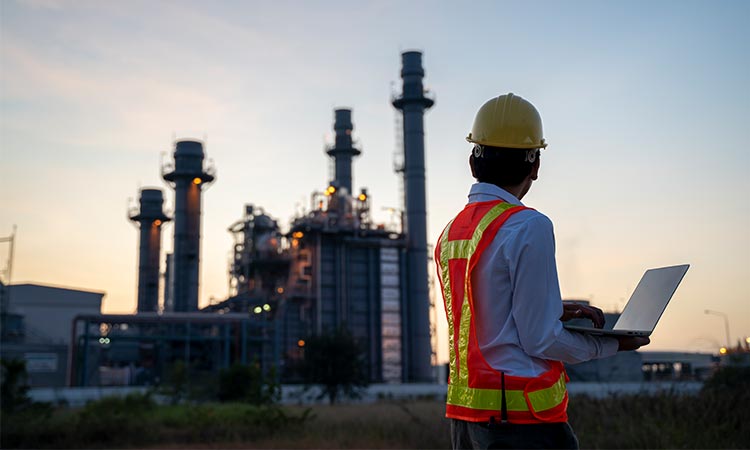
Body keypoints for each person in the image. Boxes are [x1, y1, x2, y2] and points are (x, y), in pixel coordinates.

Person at [435, 93, 650, 449]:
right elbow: (542, 339)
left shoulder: (451, 233)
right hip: (522, 423)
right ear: (534, 166)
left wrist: (553, 306)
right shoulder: (527, 225)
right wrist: (613, 346)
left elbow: (481, 308)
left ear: (473, 163)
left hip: (466, 420)